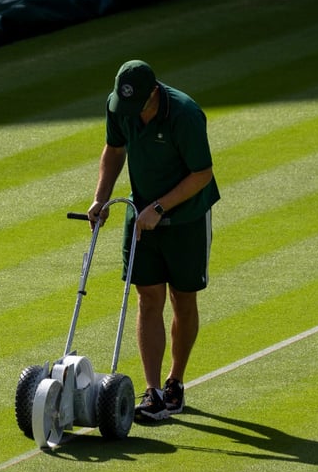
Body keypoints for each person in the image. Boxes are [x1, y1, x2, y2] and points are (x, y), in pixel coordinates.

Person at [87, 59, 220, 421]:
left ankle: (175, 381)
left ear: (154, 93)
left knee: (182, 299)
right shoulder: (119, 106)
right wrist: (101, 198)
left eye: (137, 105)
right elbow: (114, 150)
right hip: (141, 210)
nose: (128, 111)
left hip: (186, 218)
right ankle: (153, 392)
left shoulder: (185, 114)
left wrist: (160, 208)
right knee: (147, 298)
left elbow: (202, 173)